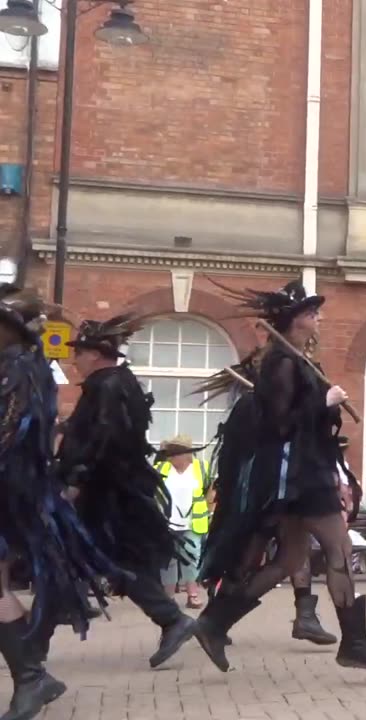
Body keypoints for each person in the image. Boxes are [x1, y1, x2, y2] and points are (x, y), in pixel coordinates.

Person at [194, 279, 366, 671]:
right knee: (339, 549)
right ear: (294, 321)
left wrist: (327, 406)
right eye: (310, 312)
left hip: (306, 472)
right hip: (300, 477)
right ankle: (354, 643)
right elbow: (280, 425)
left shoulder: (298, 360)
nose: (318, 317)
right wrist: (325, 402)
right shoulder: (281, 363)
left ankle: (215, 622)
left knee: (290, 559)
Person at [48, 313, 213, 671]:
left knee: (82, 553)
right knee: (101, 558)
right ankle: (33, 642)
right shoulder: (119, 383)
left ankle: (28, 647)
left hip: (107, 494)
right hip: (115, 491)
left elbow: (103, 440)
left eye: (80, 353)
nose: (75, 360)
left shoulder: (107, 387)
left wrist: (76, 479)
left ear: (96, 355)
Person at [0, 286, 126, 719]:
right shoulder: (19, 366)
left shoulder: (18, 369)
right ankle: (33, 678)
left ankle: (32, 679)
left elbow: (12, 434)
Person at [195, 348, 339, 648]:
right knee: (250, 554)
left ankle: (302, 614)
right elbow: (246, 451)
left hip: (284, 485)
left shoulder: (269, 401)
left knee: (293, 552)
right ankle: (213, 618)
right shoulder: (252, 405)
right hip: (261, 491)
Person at [155, 435, 211, 609]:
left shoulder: (201, 468)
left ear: (187, 454)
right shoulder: (160, 468)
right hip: (167, 524)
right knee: (168, 561)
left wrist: (209, 508)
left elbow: (211, 489)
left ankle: (192, 595)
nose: (171, 456)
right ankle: (168, 597)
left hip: (192, 523)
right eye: (170, 452)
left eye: (175, 453)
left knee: (192, 559)